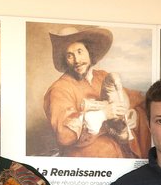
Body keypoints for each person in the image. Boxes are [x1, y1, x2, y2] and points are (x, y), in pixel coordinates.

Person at [42, 26, 149, 158]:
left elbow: (134, 99)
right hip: (85, 160)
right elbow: (64, 134)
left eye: (80, 51)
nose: (77, 60)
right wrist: (104, 114)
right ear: (65, 60)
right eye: (70, 55)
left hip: (118, 154)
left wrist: (133, 114)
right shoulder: (59, 89)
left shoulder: (102, 76)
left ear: (89, 51)